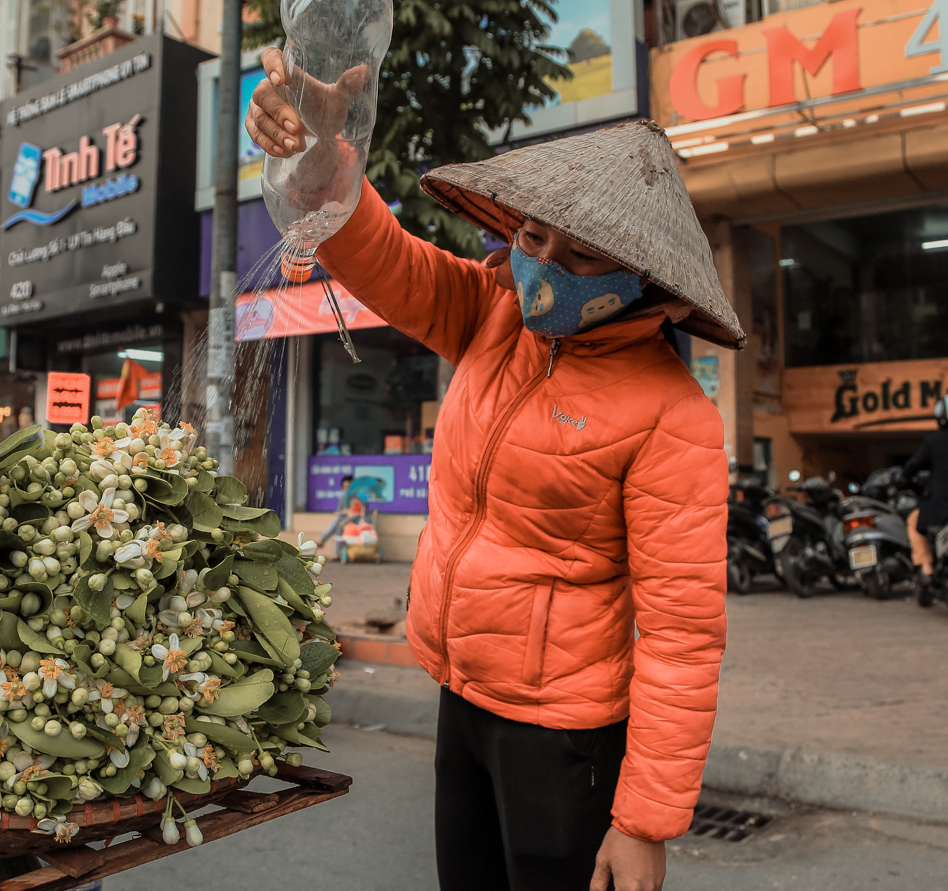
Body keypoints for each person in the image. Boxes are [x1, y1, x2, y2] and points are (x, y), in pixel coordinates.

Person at [247, 50, 744, 891]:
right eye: (530, 235)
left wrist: (644, 822)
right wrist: (324, 154)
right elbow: (384, 256)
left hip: (566, 737)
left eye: (574, 254)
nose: (538, 263)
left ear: (638, 278)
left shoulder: (674, 417)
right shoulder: (492, 314)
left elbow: (681, 639)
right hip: (463, 697)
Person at [903, 396, 948, 600]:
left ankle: (927, 566)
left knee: (913, 521)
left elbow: (911, 467)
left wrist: (907, 477)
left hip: (939, 506)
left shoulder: (934, 441)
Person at [318, 475, 356, 546]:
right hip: (342, 517)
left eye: (348, 482)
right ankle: (336, 551)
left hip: (350, 518)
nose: (346, 484)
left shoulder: (354, 495)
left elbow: (353, 511)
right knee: (337, 527)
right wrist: (340, 512)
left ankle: (322, 540)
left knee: (337, 525)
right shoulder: (342, 494)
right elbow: (339, 508)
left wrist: (342, 512)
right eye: (345, 482)